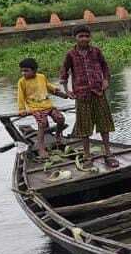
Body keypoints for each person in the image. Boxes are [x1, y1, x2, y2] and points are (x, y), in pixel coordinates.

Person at [59, 26, 118, 168]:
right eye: (81, 36)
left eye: (86, 36)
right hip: (82, 94)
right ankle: (87, 156)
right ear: (75, 38)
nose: (84, 39)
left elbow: (105, 67)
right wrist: (67, 90)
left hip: (98, 92)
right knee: (84, 126)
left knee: (104, 124)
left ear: (90, 37)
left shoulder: (96, 51)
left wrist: (106, 80)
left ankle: (108, 153)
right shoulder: (71, 54)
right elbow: (64, 72)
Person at [17, 58, 69, 158]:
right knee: (42, 124)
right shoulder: (21, 82)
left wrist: (60, 93)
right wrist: (21, 109)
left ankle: (58, 135)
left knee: (60, 118)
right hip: (36, 108)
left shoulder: (41, 77)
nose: (23, 73)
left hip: (48, 105)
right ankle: (41, 148)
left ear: (34, 70)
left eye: (26, 71)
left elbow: (49, 87)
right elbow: (20, 96)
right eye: (22, 71)